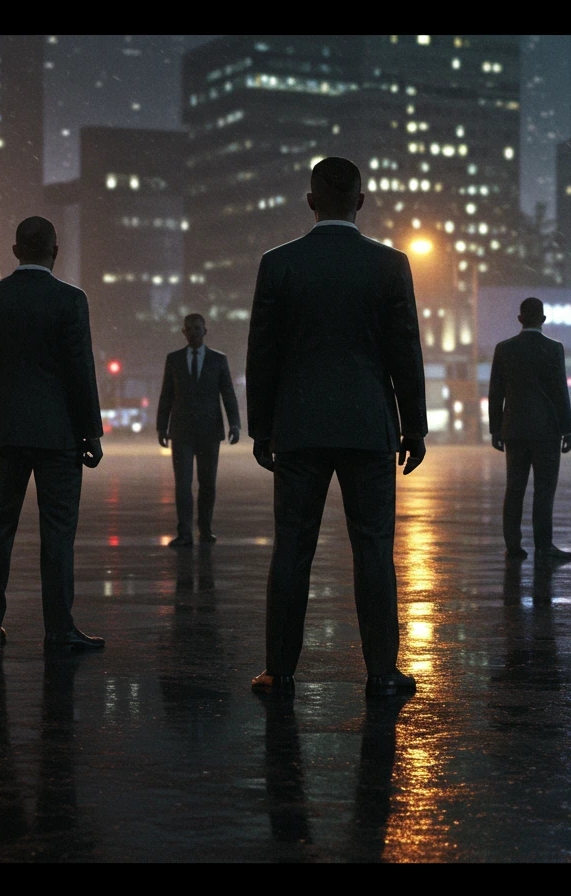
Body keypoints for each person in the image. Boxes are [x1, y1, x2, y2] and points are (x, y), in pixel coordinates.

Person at [246, 156, 428, 698]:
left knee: (292, 547)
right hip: (368, 426)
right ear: (361, 201)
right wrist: (413, 427)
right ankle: (382, 671)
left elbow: (263, 353)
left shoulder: (279, 264)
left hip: (300, 426)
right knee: (373, 549)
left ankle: (279, 671)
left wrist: (262, 428)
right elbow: (405, 351)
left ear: (310, 201)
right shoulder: (389, 265)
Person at [0, 216, 106, 650]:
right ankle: (58, 629)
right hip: (58, 434)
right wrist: (91, 432)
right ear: (54, 251)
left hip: (4, 432)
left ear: (15, 251)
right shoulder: (70, 300)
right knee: (57, 534)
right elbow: (80, 369)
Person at [487, 296, 571, 564]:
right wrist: (567, 430)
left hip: (514, 429)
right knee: (544, 491)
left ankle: (513, 546)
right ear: (543, 319)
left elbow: (496, 393)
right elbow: (560, 391)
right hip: (547, 431)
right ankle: (544, 546)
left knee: (514, 489)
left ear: (520, 319)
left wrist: (495, 430)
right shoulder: (554, 349)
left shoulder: (504, 349)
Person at [156, 312, 242, 546]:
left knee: (207, 484)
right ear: (183, 332)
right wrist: (161, 427)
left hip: (209, 431)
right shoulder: (174, 359)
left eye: (197, 328)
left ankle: (205, 529)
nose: (193, 332)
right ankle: (185, 532)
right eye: (189, 328)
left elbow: (228, 394)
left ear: (205, 331)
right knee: (183, 484)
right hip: (182, 431)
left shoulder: (218, 360)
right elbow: (166, 395)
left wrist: (235, 423)